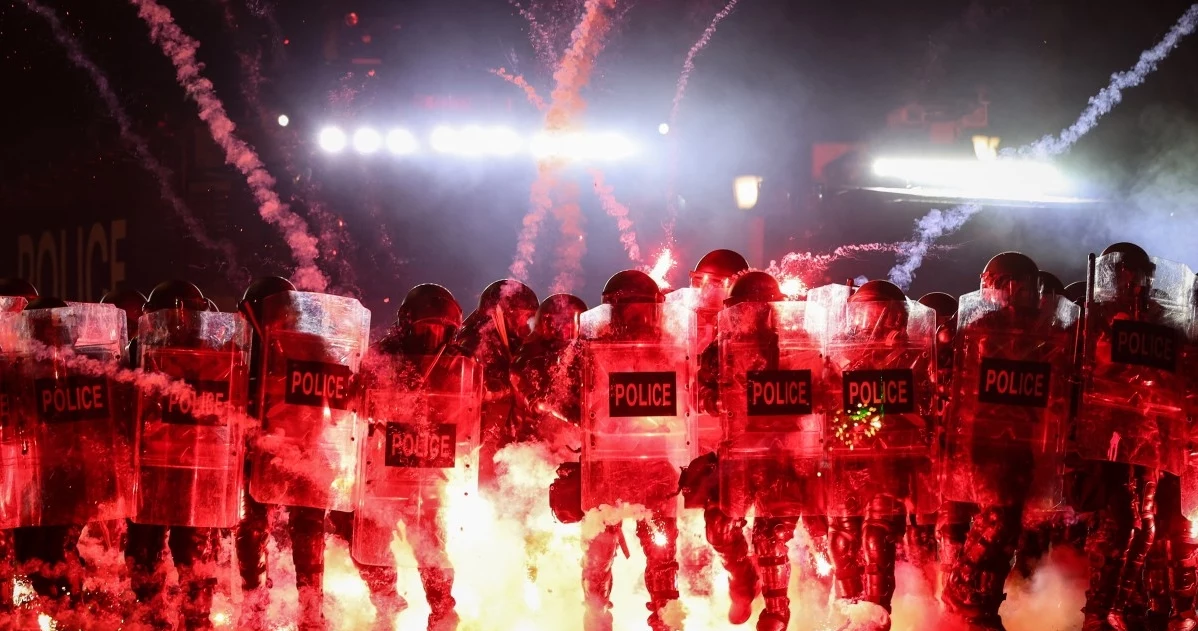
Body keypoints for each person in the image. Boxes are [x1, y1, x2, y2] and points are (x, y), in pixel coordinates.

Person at [939, 253, 1079, 629]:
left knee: (1007, 527)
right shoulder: (977, 329)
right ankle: (967, 599)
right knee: (996, 522)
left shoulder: (1048, 333)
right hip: (987, 442)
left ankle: (979, 605)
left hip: (1026, 443)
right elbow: (951, 385)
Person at [243, 278, 372, 630]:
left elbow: (344, 398)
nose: (282, 317)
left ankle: (310, 611)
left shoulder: (312, 346)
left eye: (286, 310)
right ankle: (254, 606)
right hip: (259, 454)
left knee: (309, 532)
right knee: (252, 530)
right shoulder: (245, 349)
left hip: (308, 450)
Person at [1075, 243, 1192, 631]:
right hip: (1112, 432)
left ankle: (1116, 606)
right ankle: (1099, 609)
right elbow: (1093, 370)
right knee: (1121, 522)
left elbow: (1176, 374)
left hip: (1152, 432)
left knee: (1148, 526)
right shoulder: (1100, 316)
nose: (1135, 282)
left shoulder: (1161, 319)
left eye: (1140, 274)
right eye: (1126, 273)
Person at [352, 283, 474, 631]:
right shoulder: (382, 356)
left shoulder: (460, 363)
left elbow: (468, 411)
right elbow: (360, 406)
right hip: (385, 471)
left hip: (430, 471)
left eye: (440, 329)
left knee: (431, 548)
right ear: (407, 324)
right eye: (425, 327)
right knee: (369, 544)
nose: (432, 337)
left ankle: (442, 613)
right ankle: (386, 603)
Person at [129, 280, 248, 630]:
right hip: (155, 470)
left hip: (195, 470)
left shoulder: (221, 355)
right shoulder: (142, 350)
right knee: (148, 560)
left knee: (192, 564)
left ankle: (188, 622)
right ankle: (161, 621)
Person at [577, 270, 689, 631]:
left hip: (655, 462)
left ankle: (665, 620)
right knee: (599, 552)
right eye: (632, 311)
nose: (640, 320)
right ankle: (595, 618)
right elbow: (567, 399)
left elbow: (687, 405)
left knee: (662, 551)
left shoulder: (674, 350)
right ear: (615, 312)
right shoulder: (589, 350)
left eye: (646, 311)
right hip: (608, 463)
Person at [822, 280, 935, 630]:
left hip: (891, 460)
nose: (870, 323)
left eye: (879, 316)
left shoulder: (914, 355)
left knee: (877, 537)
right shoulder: (839, 352)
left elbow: (925, 406)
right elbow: (826, 400)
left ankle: (875, 618)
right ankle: (847, 615)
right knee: (842, 540)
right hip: (848, 457)